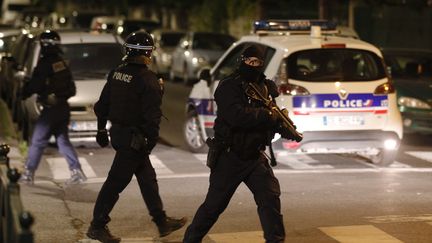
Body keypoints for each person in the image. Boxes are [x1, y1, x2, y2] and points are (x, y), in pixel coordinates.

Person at [86, 30, 187, 243]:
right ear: (147, 53)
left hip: (120, 135)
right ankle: (97, 226)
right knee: (115, 183)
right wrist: (150, 143)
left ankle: (161, 222)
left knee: (147, 179)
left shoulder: (117, 73)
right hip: (135, 140)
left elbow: (101, 106)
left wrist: (101, 130)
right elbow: (152, 118)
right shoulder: (148, 80)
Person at [183, 45, 286, 243]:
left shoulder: (262, 87)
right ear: (242, 61)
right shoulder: (229, 85)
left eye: (257, 63)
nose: (253, 66)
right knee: (213, 207)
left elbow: (270, 118)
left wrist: (280, 124)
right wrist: (266, 115)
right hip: (230, 156)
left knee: (270, 198)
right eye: (250, 61)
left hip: (254, 156)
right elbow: (236, 116)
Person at [20, 30, 87, 185]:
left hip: (51, 110)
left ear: (45, 45)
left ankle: (28, 174)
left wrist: (24, 92)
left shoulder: (45, 64)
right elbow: (72, 89)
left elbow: (35, 85)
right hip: (63, 108)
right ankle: (77, 171)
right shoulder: (61, 63)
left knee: (37, 141)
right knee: (62, 141)